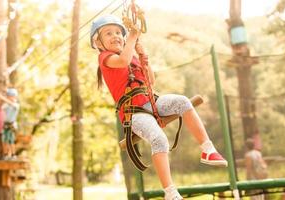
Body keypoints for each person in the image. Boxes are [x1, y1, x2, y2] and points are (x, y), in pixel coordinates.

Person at [90, 15, 227, 200]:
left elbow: (151, 81)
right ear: (98, 42)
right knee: (159, 139)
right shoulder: (105, 57)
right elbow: (122, 61)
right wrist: (132, 36)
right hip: (133, 113)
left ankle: (207, 149)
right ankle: (170, 192)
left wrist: (142, 55)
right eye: (108, 33)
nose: (115, 36)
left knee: (182, 102)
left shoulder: (131, 57)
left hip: (150, 102)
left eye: (118, 32)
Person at [0, 88, 20, 160]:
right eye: (8, 96)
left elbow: (12, 104)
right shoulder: (6, 105)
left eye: (11, 96)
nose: (9, 97)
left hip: (12, 125)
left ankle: (13, 155)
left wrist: (3, 98)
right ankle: (6, 154)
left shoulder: (16, 105)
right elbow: (2, 108)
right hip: (5, 125)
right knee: (5, 140)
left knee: (11, 140)